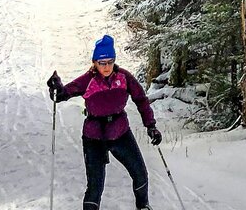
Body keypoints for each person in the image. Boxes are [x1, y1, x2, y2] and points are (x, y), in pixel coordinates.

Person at [47, 34, 163, 210]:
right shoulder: (88, 80)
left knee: (140, 174)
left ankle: (143, 206)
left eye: (110, 61)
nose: (106, 66)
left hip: (120, 132)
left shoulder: (124, 77)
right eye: (102, 62)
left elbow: (141, 99)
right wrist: (55, 87)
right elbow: (63, 94)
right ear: (95, 62)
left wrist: (151, 125)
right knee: (95, 186)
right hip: (94, 137)